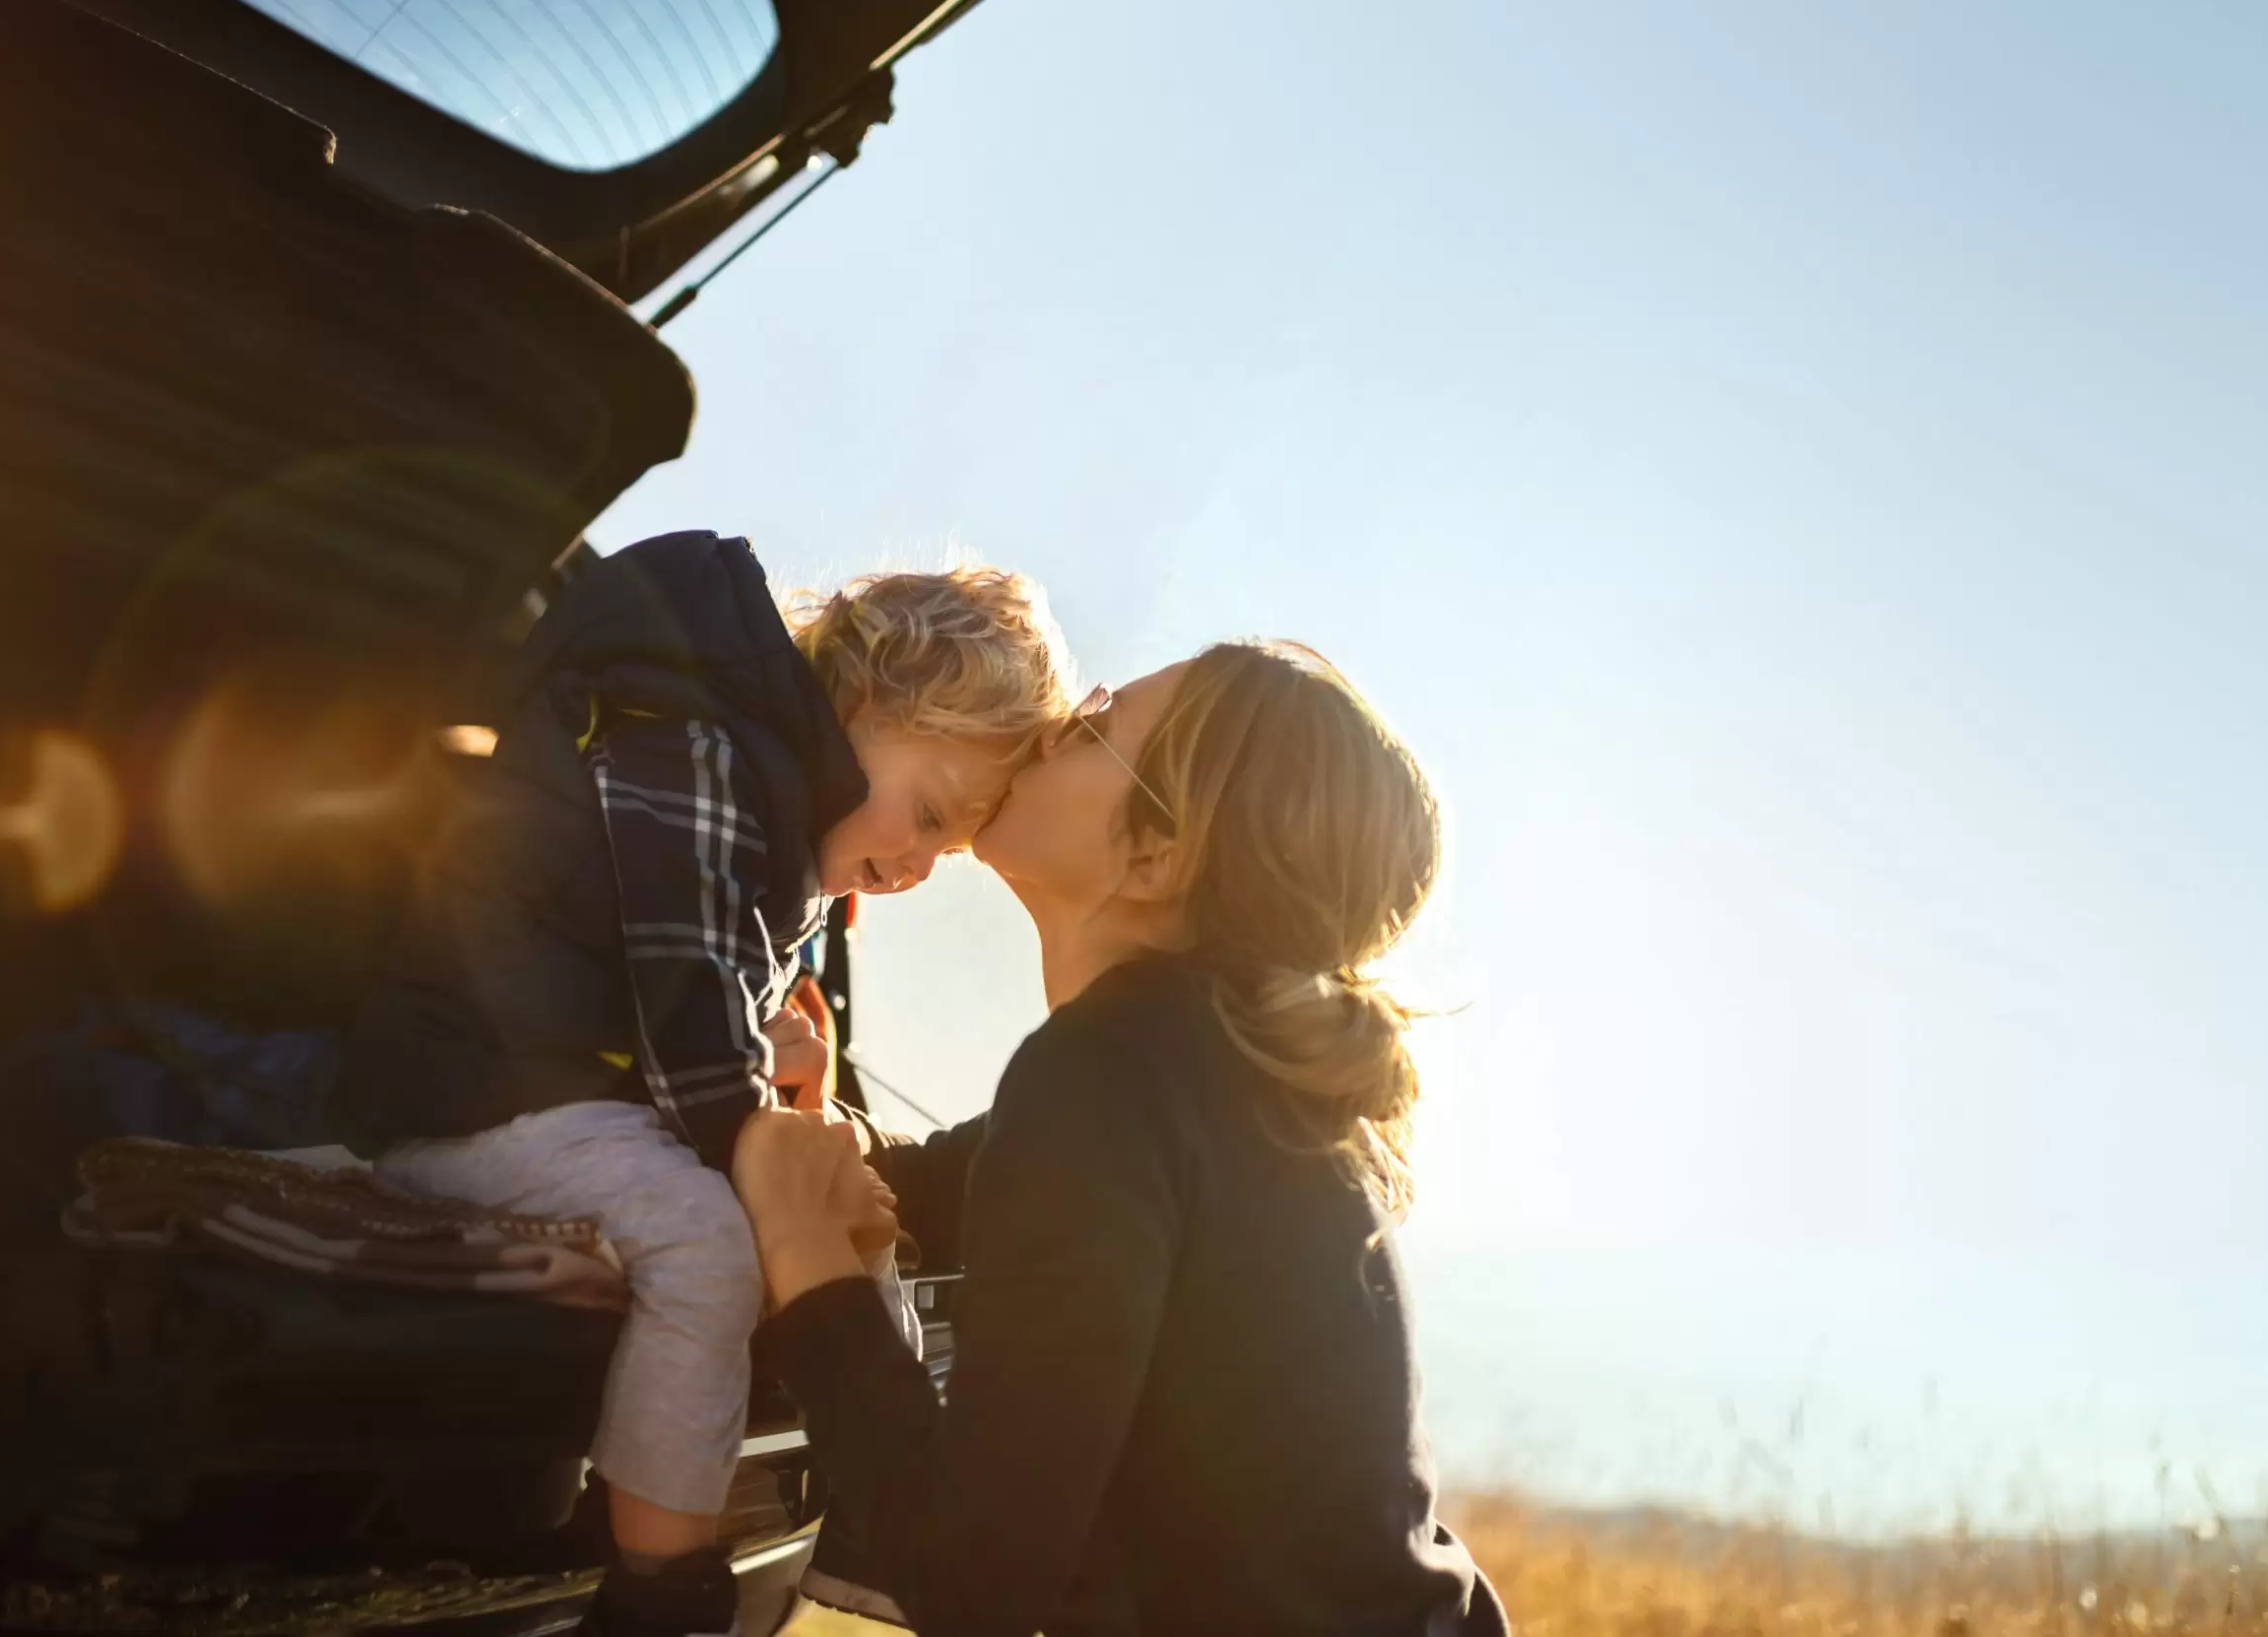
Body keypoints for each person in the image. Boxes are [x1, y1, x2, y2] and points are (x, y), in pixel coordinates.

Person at [329, 531, 1071, 1637]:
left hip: (577, 1102)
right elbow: (685, 994)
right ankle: (660, 1592)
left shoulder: (778, 812)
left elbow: (704, 1006)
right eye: (926, 811)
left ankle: (882, 1525)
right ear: (861, 697)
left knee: (849, 1225)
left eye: (943, 849)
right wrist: (774, 1160)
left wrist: (804, 1113)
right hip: (474, 1097)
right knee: (706, 1237)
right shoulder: (693, 744)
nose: (916, 865)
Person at [736, 641, 1511, 1636]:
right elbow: (944, 1187)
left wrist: (807, 1261)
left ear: (1155, 853)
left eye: (1098, 726)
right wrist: (812, 1117)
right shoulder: (1212, 1074)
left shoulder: (1109, 1074)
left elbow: (973, 1577)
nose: (1059, 718)